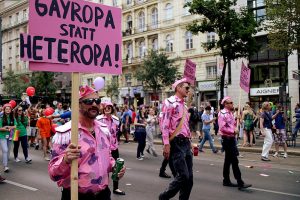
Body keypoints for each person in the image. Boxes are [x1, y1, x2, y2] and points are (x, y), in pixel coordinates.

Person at [49, 85, 125, 200]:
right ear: (78, 104)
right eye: (88, 101)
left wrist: (114, 167)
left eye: (97, 101)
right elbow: (53, 174)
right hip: (76, 196)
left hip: (103, 195)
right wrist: (65, 160)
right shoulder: (66, 133)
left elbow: (106, 158)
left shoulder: (103, 130)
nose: (94, 104)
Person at [159, 78, 193, 200]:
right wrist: (166, 144)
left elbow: (185, 125)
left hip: (186, 143)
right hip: (176, 143)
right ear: (178, 88)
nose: (188, 90)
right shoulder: (169, 102)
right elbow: (165, 125)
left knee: (189, 180)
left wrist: (190, 141)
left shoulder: (184, 105)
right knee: (183, 175)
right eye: (186, 88)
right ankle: (164, 197)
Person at [218, 96, 251, 190]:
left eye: (232, 102)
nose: (232, 104)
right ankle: (240, 182)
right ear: (225, 104)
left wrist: (237, 121)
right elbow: (222, 128)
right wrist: (233, 131)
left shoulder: (230, 113)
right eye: (230, 102)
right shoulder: (222, 113)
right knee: (234, 161)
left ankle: (226, 180)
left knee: (228, 161)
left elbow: (231, 125)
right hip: (227, 139)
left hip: (231, 139)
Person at [97, 102, 125, 195]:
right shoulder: (99, 119)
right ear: (103, 109)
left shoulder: (116, 120)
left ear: (112, 109)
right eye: (106, 107)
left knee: (117, 167)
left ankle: (116, 188)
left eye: (109, 107)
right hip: (103, 148)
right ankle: (102, 187)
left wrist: (117, 141)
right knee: (103, 167)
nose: (107, 109)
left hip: (114, 147)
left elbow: (117, 132)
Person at [0, 103, 16, 172]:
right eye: (6, 109)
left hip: (10, 136)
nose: (8, 110)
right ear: (4, 110)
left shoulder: (12, 117)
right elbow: (0, 128)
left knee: (8, 151)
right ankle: (5, 166)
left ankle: (5, 163)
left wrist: (9, 127)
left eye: (9, 109)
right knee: (5, 150)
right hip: (2, 136)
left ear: (11, 110)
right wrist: (5, 129)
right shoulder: (1, 117)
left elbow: (15, 126)